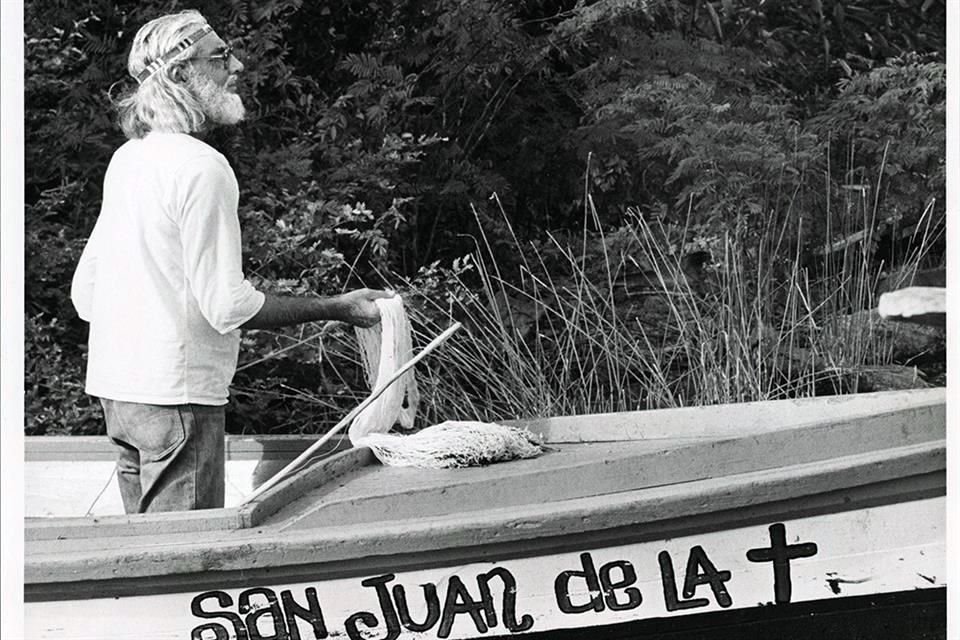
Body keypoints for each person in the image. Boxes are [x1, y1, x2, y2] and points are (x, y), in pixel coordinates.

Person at [70, 10, 392, 514]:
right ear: (178, 75)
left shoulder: (130, 158)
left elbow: (85, 293)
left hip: (118, 396)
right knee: (184, 563)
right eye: (220, 57)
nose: (237, 66)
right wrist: (339, 307)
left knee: (148, 559)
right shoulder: (202, 166)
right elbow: (226, 305)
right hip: (176, 401)